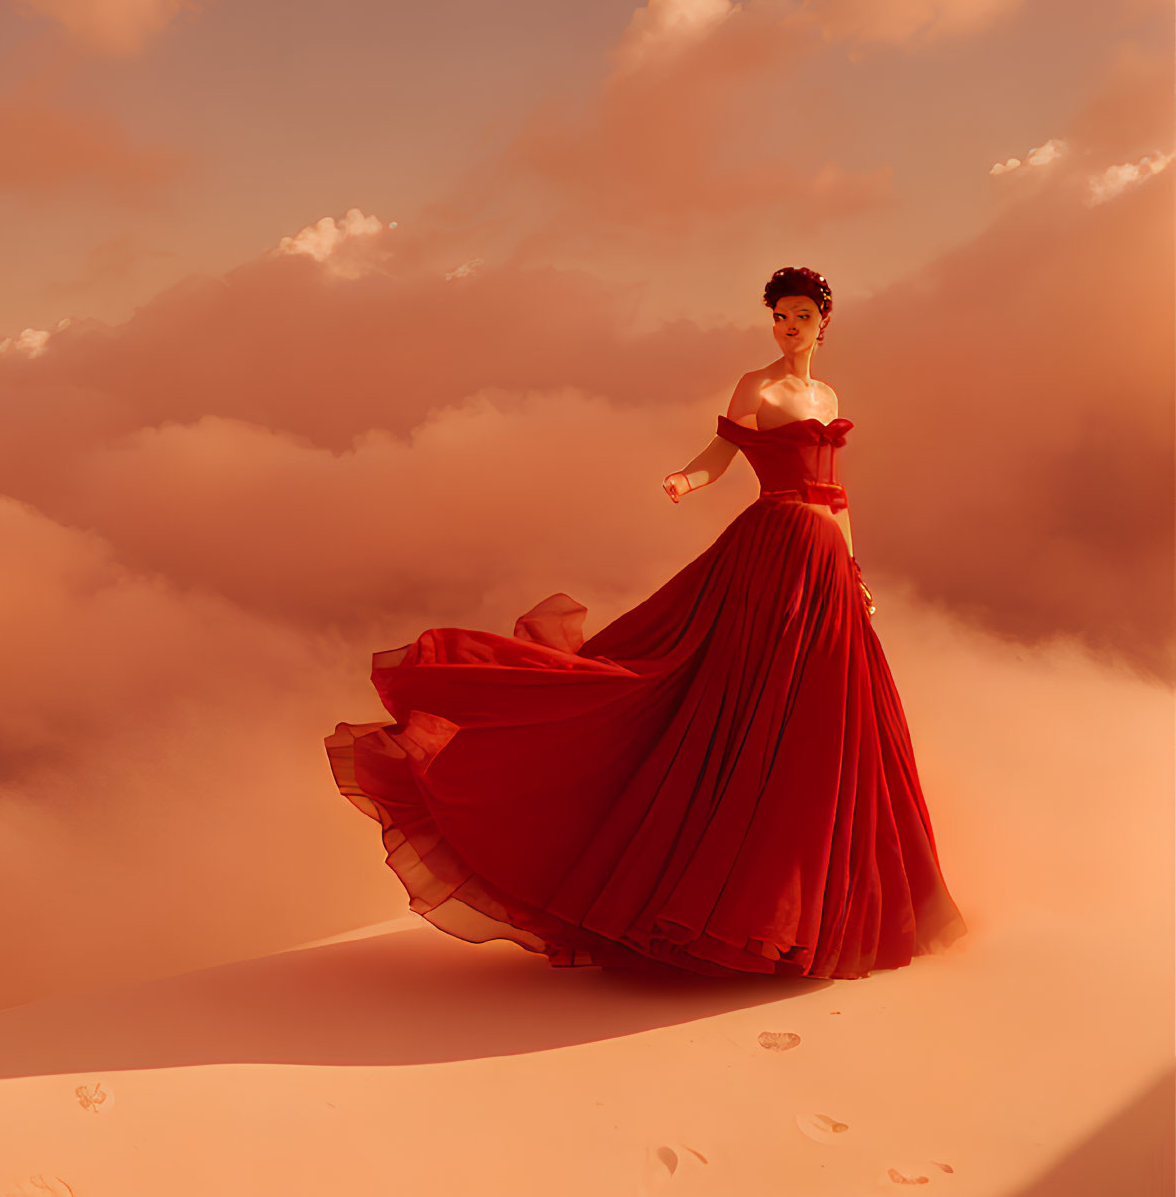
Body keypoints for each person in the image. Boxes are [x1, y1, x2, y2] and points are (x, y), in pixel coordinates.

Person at [324, 266, 968, 980]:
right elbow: (721, 453)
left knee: (826, 718)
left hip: (824, 563)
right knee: (742, 700)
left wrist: (852, 569)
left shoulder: (826, 394)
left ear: (823, 321)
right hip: (772, 548)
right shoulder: (757, 387)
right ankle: (726, 898)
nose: (788, 328)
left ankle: (803, 909)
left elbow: (836, 495)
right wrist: (686, 481)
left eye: (799, 316)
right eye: (778, 316)